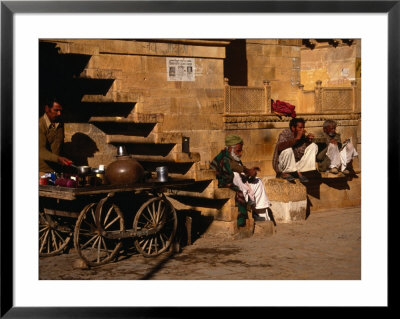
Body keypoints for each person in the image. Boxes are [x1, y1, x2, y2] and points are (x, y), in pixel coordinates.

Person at [210, 134, 271, 227]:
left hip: (242, 185)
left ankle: (259, 213)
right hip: (226, 184)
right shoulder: (224, 158)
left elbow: (241, 169)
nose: (240, 153)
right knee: (236, 175)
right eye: (238, 150)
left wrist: (251, 173)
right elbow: (233, 168)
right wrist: (247, 171)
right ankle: (248, 206)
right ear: (230, 148)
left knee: (258, 181)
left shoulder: (234, 158)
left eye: (241, 150)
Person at [272, 117, 318, 183]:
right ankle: (285, 173)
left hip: (295, 163)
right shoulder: (285, 133)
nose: (303, 130)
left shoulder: (302, 136)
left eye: (303, 128)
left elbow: (301, 152)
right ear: (293, 128)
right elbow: (280, 147)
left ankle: (300, 171)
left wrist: (308, 141)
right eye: (300, 128)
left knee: (313, 146)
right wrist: (296, 139)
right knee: (288, 149)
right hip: (281, 165)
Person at [39, 97, 72, 177]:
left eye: (60, 111)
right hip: (42, 173)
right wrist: (58, 159)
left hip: (57, 172)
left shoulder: (60, 124)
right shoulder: (39, 125)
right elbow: (40, 151)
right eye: (56, 110)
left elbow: (59, 146)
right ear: (47, 109)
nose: (59, 113)